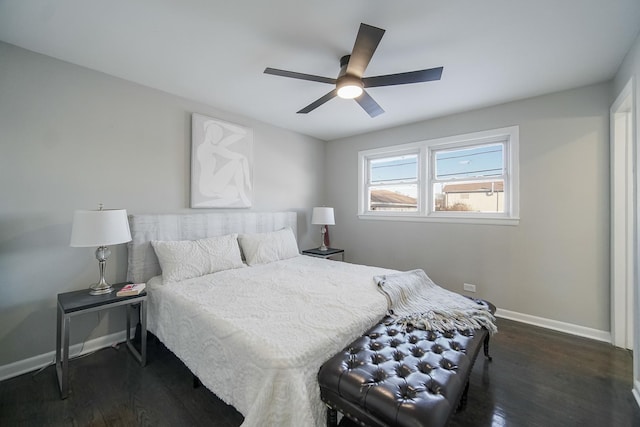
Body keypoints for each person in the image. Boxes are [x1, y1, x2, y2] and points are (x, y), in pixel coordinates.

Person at [196, 119, 251, 207]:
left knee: (234, 192)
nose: (219, 137)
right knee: (236, 163)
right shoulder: (210, 148)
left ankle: (239, 194)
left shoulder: (204, 147)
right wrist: (220, 123)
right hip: (209, 185)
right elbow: (231, 155)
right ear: (210, 132)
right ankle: (243, 194)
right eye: (217, 134)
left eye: (220, 135)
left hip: (207, 187)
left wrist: (220, 124)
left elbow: (242, 133)